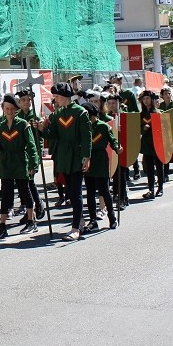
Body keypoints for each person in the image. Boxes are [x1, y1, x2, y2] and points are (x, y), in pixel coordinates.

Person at [42, 82, 91, 241]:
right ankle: (81, 220)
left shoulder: (80, 113)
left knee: (76, 193)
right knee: (71, 192)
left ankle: (75, 228)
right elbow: (53, 136)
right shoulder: (56, 115)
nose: (55, 100)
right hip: (63, 156)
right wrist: (42, 129)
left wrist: (87, 156)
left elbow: (86, 137)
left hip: (76, 156)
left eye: (56, 97)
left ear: (64, 96)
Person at [0, 94, 39, 238]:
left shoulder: (23, 124)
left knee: (25, 191)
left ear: (16, 109)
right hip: (6, 163)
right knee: (6, 194)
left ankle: (31, 220)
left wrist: (33, 163)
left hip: (20, 161)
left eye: (12, 108)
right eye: (7, 108)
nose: (9, 111)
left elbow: (31, 145)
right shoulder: (1, 127)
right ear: (3, 109)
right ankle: (2, 225)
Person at [83, 102, 118, 232]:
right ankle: (92, 220)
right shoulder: (84, 128)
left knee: (104, 191)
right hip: (89, 161)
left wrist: (117, 147)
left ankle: (112, 217)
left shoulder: (103, 127)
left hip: (101, 160)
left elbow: (112, 139)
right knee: (90, 193)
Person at [14, 89, 45, 221]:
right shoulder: (17, 117)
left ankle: (37, 205)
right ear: (19, 102)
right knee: (22, 184)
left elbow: (41, 138)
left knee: (30, 182)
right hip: (20, 155)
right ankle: (29, 208)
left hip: (31, 155)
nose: (26, 102)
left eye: (28, 100)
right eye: (23, 100)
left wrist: (39, 127)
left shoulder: (35, 118)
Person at [138, 91, 164, 200]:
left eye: (148, 98)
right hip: (147, 143)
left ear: (152, 100)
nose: (146, 101)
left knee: (159, 166)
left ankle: (160, 187)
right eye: (144, 99)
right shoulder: (141, 115)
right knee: (149, 168)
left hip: (157, 142)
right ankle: (151, 189)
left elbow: (163, 128)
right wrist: (143, 129)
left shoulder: (158, 113)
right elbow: (138, 128)